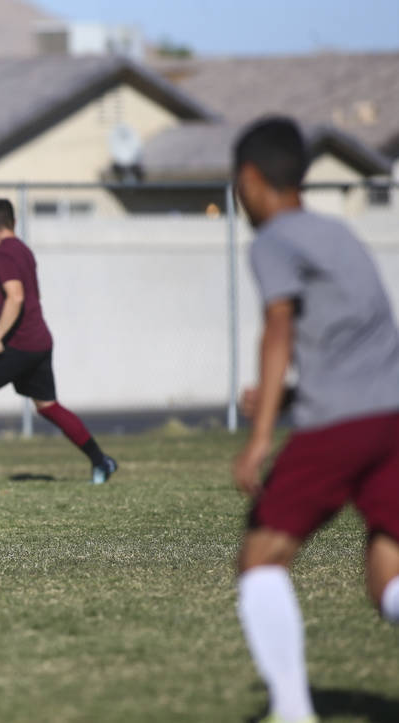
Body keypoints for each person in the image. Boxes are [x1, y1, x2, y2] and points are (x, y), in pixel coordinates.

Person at [232, 116, 399, 723]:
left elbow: (279, 328)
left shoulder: (273, 241)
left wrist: (259, 438)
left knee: (260, 561)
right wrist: (293, 399)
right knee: (387, 576)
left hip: (341, 427)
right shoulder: (341, 235)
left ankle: (293, 711)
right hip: (392, 419)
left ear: (250, 180)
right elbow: (358, 343)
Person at [0, 198, 116, 486]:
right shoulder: (24, 250)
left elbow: (17, 296)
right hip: (40, 340)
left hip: (17, 344)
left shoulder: (1, 254)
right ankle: (101, 460)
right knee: (48, 406)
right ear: (13, 222)